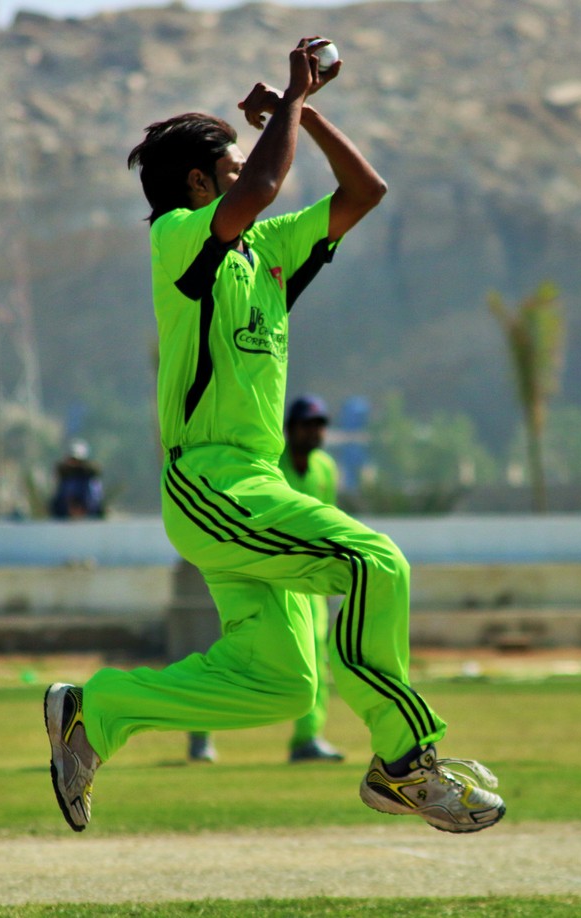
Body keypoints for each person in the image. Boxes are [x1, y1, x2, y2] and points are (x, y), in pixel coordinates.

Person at [44, 37, 505, 834]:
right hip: (210, 481)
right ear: (198, 183)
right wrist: (288, 100)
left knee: (286, 684)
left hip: (255, 485)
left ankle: (100, 711)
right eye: (229, 165)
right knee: (373, 562)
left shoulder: (266, 250)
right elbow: (261, 184)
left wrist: (308, 113)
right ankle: (404, 762)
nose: (246, 172)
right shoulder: (177, 235)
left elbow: (365, 191)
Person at [187, 394, 346, 764]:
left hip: (308, 581)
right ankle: (200, 729)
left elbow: (329, 521)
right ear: (289, 429)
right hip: (263, 575)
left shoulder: (325, 469)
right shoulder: (271, 464)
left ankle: (307, 738)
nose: (314, 432)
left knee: (315, 657)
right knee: (241, 656)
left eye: (320, 425)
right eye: (306, 425)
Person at [49, 440, 105, 520]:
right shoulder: (66, 477)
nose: (73, 463)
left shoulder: (90, 478)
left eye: (76, 460)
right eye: (72, 460)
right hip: (64, 516)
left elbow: (94, 499)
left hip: (89, 515)